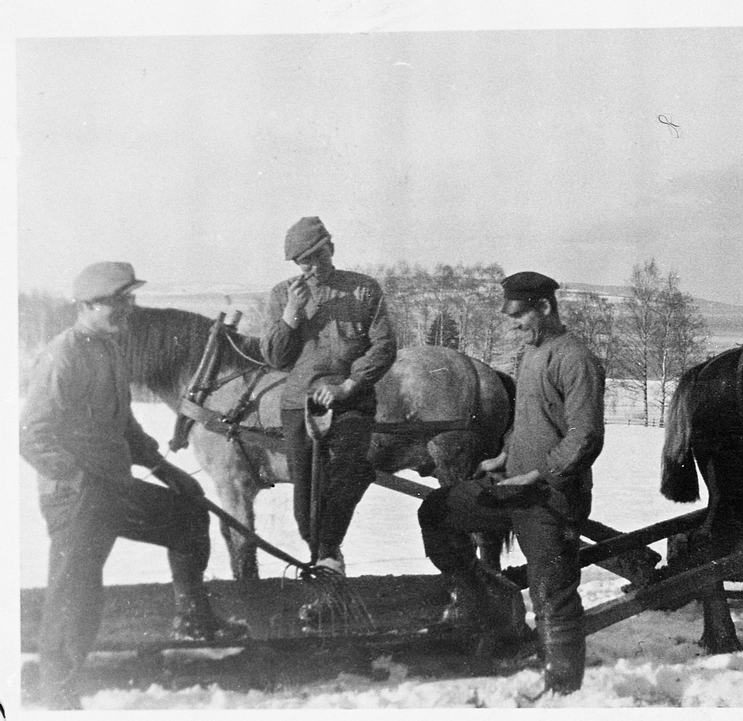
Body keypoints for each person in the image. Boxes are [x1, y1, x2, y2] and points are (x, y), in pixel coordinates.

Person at [20, 262, 247, 710]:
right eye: (117, 301)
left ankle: (193, 619)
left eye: (130, 299)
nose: (127, 309)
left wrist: (165, 469)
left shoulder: (110, 349)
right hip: (76, 498)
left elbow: (124, 424)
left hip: (112, 488)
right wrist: (76, 477)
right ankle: (57, 696)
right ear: (86, 306)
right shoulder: (63, 354)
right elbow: (31, 435)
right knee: (75, 592)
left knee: (185, 514)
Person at [417, 271, 606, 696]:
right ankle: (494, 603)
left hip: (550, 497)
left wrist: (538, 474)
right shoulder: (532, 354)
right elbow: (530, 420)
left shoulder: (574, 358)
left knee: (552, 594)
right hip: (512, 486)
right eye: (510, 317)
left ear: (544, 307)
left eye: (520, 315)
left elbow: (586, 436)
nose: (513, 324)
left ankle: (561, 690)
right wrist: (503, 456)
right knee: (437, 511)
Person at [261, 216, 397, 576]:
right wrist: (291, 315)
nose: (312, 266)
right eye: (303, 261)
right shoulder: (281, 295)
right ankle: (320, 551)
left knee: (346, 471)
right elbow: (276, 358)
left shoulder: (364, 290)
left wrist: (349, 386)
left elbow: (384, 347)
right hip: (298, 404)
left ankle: (328, 552)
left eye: (318, 255)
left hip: (351, 400)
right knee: (304, 491)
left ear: (331, 249)